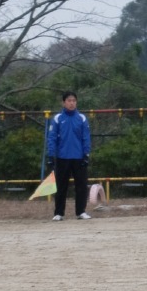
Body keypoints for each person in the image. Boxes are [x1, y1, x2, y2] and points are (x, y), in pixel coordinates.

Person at [45, 91, 92, 221]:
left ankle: (81, 211)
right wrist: (50, 155)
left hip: (79, 157)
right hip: (62, 157)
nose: (72, 103)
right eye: (69, 101)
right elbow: (52, 138)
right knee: (61, 186)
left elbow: (86, 137)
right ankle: (59, 213)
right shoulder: (57, 118)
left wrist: (86, 154)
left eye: (74, 101)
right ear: (63, 103)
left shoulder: (82, 118)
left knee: (81, 186)